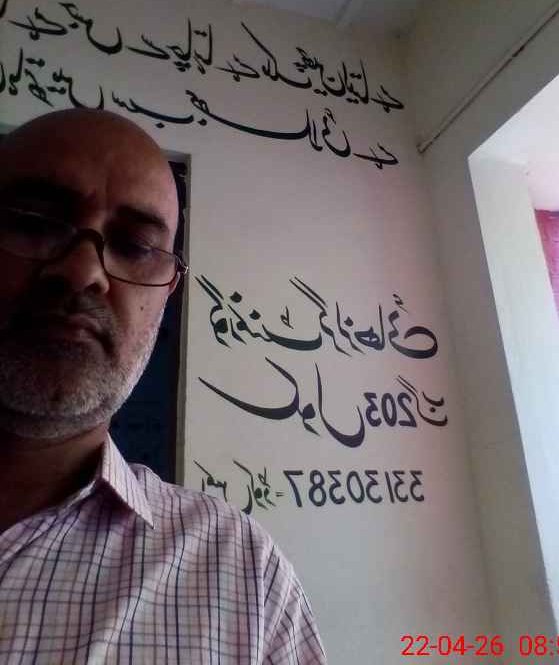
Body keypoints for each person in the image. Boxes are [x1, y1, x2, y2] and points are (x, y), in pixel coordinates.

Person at [0, 108, 327, 664]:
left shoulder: (242, 576)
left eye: (134, 246)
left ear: (168, 292)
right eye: (35, 221)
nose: (84, 272)